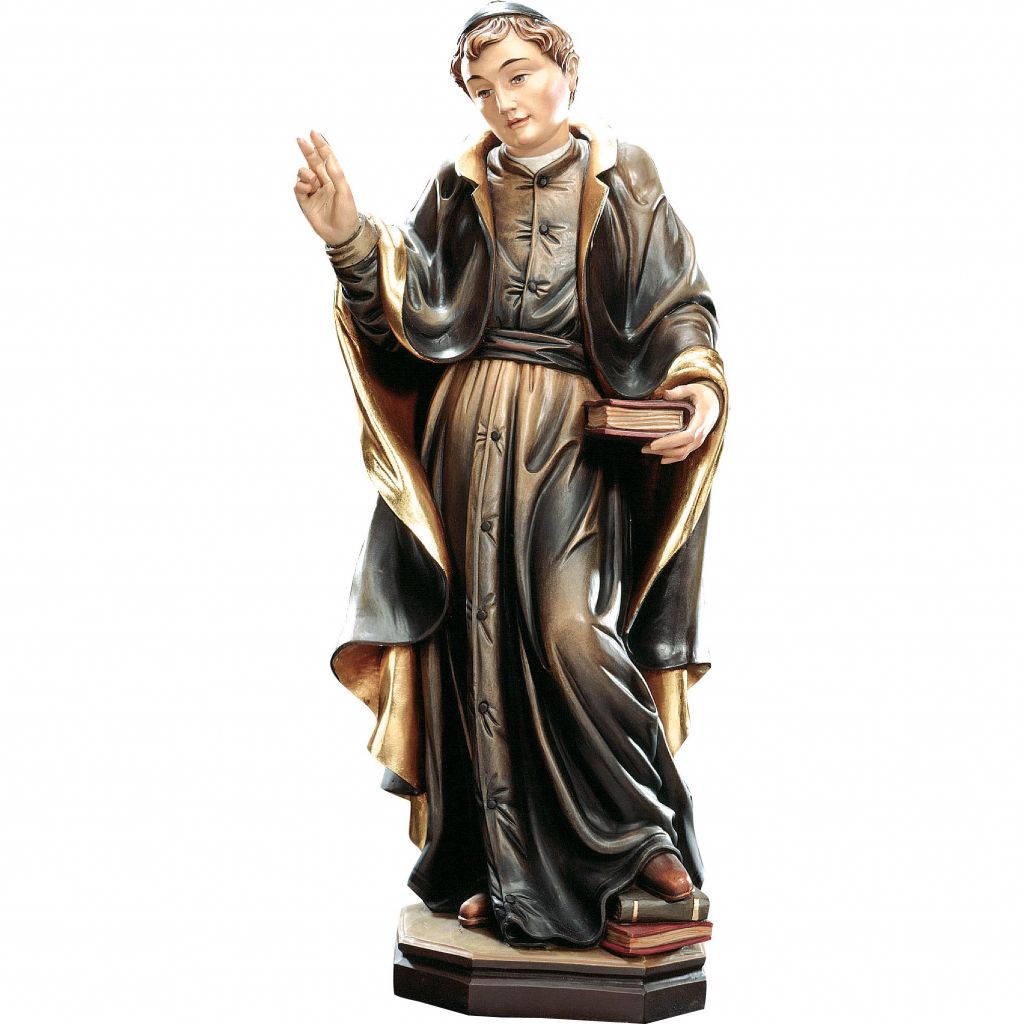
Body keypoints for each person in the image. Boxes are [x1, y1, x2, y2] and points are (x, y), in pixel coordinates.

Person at [293, 2, 728, 948]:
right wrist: (347, 237)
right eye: (484, 89)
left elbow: (679, 305)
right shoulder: (460, 188)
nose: (505, 102)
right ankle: (509, 871)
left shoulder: (625, 177)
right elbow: (404, 310)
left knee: (571, 631)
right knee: (479, 643)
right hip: (468, 431)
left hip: (571, 432)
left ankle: (645, 838)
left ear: (566, 71)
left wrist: (695, 384)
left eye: (521, 75)